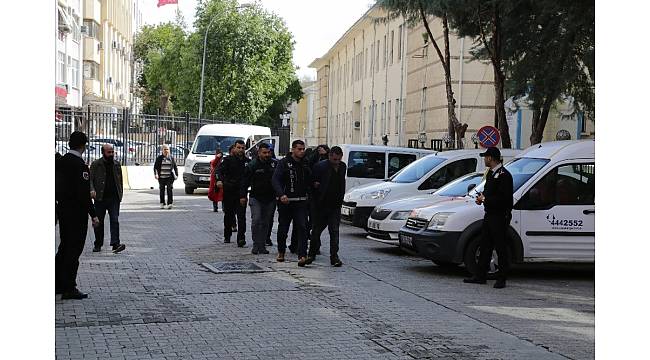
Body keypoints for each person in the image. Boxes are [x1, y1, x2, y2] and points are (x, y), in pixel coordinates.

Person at [55, 131, 100, 300]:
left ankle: (57, 283)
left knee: (64, 247)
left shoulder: (61, 162)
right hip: (76, 214)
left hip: (63, 211)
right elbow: (83, 194)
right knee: (74, 250)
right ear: (83, 145)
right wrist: (93, 214)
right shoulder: (80, 165)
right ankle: (69, 286)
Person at [463, 147, 513, 289]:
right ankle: (480, 276)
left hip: (499, 216)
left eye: (485, 157)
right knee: (485, 245)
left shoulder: (504, 175)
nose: (484, 159)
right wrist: (482, 199)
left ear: (491, 158)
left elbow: (505, 199)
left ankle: (502, 278)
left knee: (500, 247)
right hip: (490, 215)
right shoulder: (491, 174)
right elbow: (489, 192)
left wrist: (487, 199)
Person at [272, 140, 311, 266]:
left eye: (303, 149)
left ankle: (302, 255)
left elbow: (310, 178)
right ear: (293, 149)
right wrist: (281, 194)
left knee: (302, 227)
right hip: (286, 202)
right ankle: (281, 251)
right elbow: (275, 180)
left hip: (301, 201)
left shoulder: (305, 163)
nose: (301, 151)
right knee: (283, 228)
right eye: (299, 149)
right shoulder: (283, 163)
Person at [306, 146, 345, 267]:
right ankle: (311, 254)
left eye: (338, 159)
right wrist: (315, 202)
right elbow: (312, 185)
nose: (336, 162)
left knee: (334, 231)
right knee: (316, 231)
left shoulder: (343, 167)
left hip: (335, 205)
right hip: (321, 205)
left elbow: (341, 183)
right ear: (329, 156)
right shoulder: (320, 166)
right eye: (334, 159)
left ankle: (334, 256)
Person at [241, 143, 277, 255]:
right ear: (259, 152)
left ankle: (262, 245)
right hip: (256, 197)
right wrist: (242, 196)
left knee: (266, 222)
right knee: (256, 220)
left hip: (270, 198)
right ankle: (256, 244)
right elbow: (244, 181)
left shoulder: (274, 164)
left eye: (268, 152)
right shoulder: (253, 165)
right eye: (264, 152)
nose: (267, 155)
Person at [89, 144, 126, 253]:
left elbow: (120, 180)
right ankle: (98, 243)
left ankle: (115, 244)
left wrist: (120, 194)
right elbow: (90, 179)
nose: (111, 154)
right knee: (98, 222)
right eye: (108, 152)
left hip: (114, 198)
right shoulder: (96, 164)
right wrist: (92, 190)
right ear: (103, 153)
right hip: (100, 198)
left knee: (114, 220)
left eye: (112, 152)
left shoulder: (116, 164)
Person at [216, 139, 249, 246]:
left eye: (242, 148)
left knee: (241, 216)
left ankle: (241, 238)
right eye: (238, 147)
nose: (240, 150)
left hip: (241, 193)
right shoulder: (228, 160)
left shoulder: (247, 162)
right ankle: (227, 235)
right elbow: (218, 171)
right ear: (234, 148)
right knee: (228, 215)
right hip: (229, 191)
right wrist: (219, 180)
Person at [153, 145, 178, 209]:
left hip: (169, 177)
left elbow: (175, 167)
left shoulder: (171, 158)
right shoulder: (159, 158)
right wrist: (156, 174)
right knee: (162, 190)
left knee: (170, 189)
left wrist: (176, 175)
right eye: (165, 149)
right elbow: (155, 167)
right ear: (162, 150)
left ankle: (170, 203)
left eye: (167, 149)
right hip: (161, 177)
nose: (166, 151)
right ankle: (162, 203)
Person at [208, 148, 224, 212]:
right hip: (215, 179)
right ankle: (215, 207)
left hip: (221, 178)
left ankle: (224, 207)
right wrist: (218, 157)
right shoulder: (213, 161)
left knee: (223, 193)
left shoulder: (223, 162)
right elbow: (214, 163)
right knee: (215, 193)